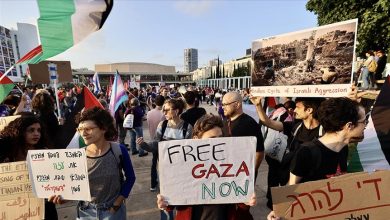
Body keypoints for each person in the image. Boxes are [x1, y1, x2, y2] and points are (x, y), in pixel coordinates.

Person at [267, 97, 366, 220]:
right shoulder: (307, 152)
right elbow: (291, 187)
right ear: (349, 125)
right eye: (363, 121)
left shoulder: (343, 148)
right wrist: (280, 212)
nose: (365, 126)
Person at [156, 114, 256, 220]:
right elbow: (174, 200)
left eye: (220, 138)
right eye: (211, 139)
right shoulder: (183, 167)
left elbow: (241, 207)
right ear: (196, 140)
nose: (218, 143)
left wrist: (246, 201)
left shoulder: (231, 166)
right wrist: (165, 202)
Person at [49, 107, 136, 219]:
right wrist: (64, 198)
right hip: (86, 212)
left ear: (103, 128)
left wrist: (117, 203)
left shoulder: (118, 150)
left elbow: (130, 178)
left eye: (88, 129)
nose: (83, 133)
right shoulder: (77, 156)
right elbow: (76, 186)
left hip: (113, 212)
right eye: (80, 129)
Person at [250, 95, 325, 209]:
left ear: (309, 110)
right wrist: (258, 105)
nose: (294, 110)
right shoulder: (294, 127)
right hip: (290, 182)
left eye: (298, 107)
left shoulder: (325, 131)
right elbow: (267, 122)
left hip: (312, 186)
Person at [137, 98, 192, 220]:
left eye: (166, 110)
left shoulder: (187, 128)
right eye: (163, 110)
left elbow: (191, 152)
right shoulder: (163, 125)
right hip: (164, 171)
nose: (164, 112)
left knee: (182, 203)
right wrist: (144, 145)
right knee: (165, 202)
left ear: (177, 111)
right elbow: (156, 144)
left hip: (182, 172)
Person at [0, 114, 58, 219]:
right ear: (20, 132)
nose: (36, 134)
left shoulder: (44, 152)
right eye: (31, 130)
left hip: (43, 207)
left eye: (39, 130)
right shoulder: (8, 154)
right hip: (15, 207)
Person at [146, 95, 166, 192]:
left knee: (154, 163)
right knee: (163, 164)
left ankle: (153, 184)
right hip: (162, 141)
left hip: (152, 140)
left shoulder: (149, 113)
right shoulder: (164, 115)